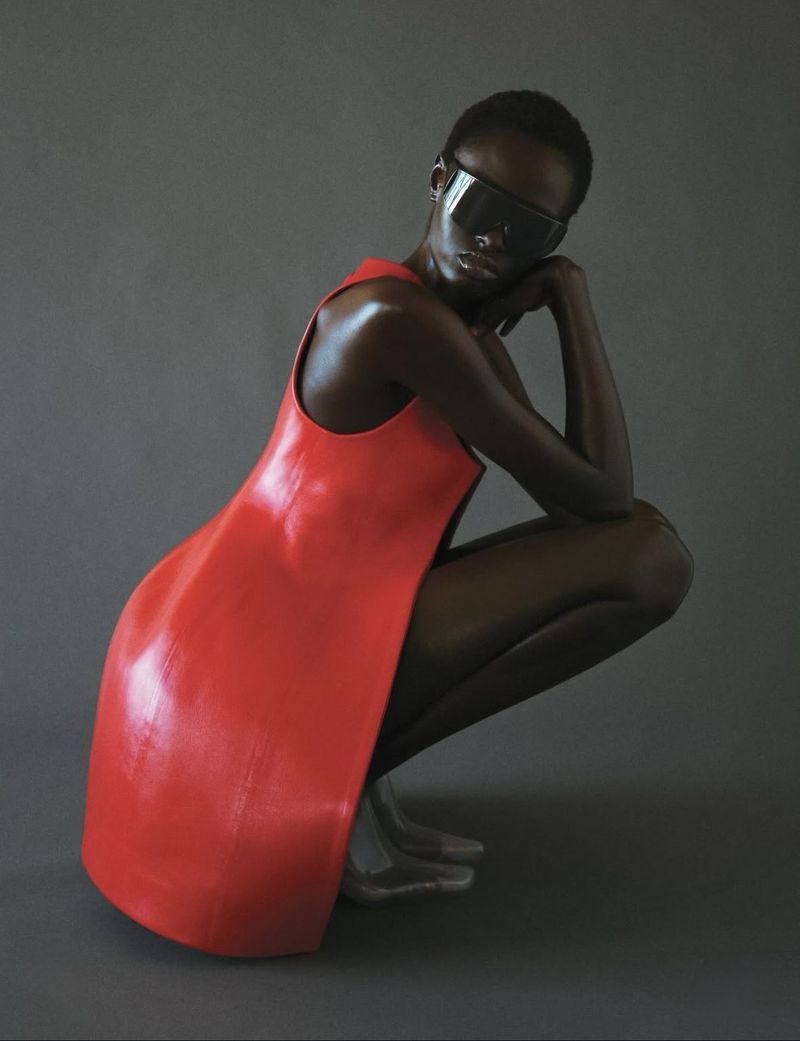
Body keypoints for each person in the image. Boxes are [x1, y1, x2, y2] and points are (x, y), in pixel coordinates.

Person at [308, 90, 695, 903]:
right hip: (294, 633)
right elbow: (601, 504)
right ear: (440, 180)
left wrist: (565, 297)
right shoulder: (396, 319)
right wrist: (570, 298)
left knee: (647, 548)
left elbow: (587, 503)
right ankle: (328, 780)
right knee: (650, 556)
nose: (492, 240)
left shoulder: (460, 336)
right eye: (481, 204)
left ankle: (352, 777)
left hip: (357, 606)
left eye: (530, 232)